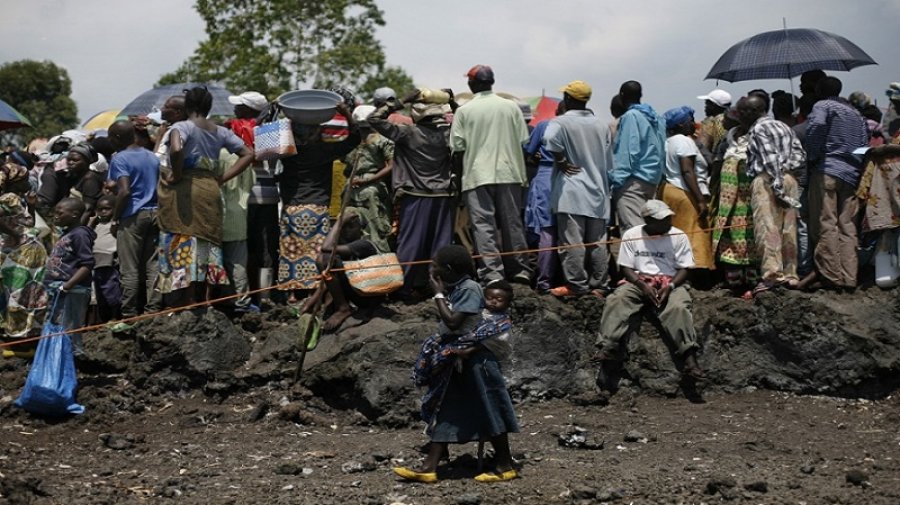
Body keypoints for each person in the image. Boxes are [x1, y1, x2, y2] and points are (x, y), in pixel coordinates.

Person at [393, 245, 519, 483]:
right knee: (446, 408)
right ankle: (429, 467)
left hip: (477, 362)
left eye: (436, 265)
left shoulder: (469, 288)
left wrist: (438, 294)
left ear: (448, 269)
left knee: (490, 407)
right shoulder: (458, 288)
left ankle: (505, 465)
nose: (432, 269)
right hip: (459, 359)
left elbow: (453, 322)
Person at [156, 87, 254, 306]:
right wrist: (222, 178)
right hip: (210, 189)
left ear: (187, 106)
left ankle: (186, 298)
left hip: (185, 190)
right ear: (209, 107)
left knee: (184, 237)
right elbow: (248, 154)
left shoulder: (182, 127)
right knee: (207, 241)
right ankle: (203, 299)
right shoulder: (220, 131)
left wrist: (177, 174)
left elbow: (177, 149)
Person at [594, 200, 704, 379]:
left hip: (671, 281)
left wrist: (670, 286)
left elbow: (686, 268)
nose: (667, 222)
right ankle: (608, 346)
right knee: (617, 299)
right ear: (648, 220)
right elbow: (626, 268)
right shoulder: (632, 234)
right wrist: (642, 285)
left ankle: (689, 357)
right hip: (639, 280)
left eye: (668, 218)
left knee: (678, 307)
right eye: (662, 220)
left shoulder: (678, 235)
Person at [450, 64, 532, 285]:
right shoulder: (511, 107)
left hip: (477, 175)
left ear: (472, 84)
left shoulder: (464, 111)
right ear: (492, 82)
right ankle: (520, 270)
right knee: (512, 223)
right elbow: (524, 139)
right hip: (510, 173)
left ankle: (493, 274)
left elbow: (457, 146)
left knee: (483, 226)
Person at [368, 94, 454, 301]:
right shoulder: (449, 133)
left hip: (416, 194)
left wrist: (402, 100)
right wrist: (451, 100)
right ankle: (438, 289)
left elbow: (374, 119)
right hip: (444, 194)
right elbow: (465, 118)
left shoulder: (407, 133)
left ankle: (402, 289)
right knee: (441, 245)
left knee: (410, 244)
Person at [276, 101, 361, 301]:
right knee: (316, 252)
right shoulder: (325, 150)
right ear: (316, 132)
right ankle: (315, 291)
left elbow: (263, 142)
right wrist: (346, 113)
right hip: (317, 208)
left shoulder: (287, 151)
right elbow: (355, 138)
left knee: (291, 250)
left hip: (292, 208)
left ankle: (293, 293)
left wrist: (274, 113)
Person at [543, 80, 613, 297]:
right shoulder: (601, 125)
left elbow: (548, 138)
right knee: (598, 242)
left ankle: (576, 285)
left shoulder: (561, 121)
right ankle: (600, 285)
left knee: (572, 242)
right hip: (598, 190)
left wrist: (561, 160)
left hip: (571, 189)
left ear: (568, 98)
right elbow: (609, 161)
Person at [801, 76, 869, 291]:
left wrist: (812, 154)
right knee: (847, 226)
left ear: (819, 90)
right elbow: (864, 144)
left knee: (825, 223)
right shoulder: (856, 113)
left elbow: (817, 126)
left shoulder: (822, 106)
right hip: (851, 174)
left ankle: (831, 276)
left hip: (827, 170)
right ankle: (849, 277)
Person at [738, 95, 805, 294]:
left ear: (754, 111)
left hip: (769, 181)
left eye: (743, 112)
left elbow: (770, 160)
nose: (740, 116)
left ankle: (772, 276)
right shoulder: (784, 126)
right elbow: (800, 155)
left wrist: (778, 189)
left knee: (768, 229)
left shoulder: (758, 129)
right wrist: (787, 172)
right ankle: (790, 275)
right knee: (788, 230)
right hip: (789, 179)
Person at [107, 120, 161, 318]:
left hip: (133, 215)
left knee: (129, 267)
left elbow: (125, 191)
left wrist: (115, 219)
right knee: (153, 265)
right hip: (155, 213)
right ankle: (153, 310)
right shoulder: (152, 156)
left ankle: (129, 313)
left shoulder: (120, 158)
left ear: (117, 138)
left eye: (111, 138)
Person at [222, 91, 269, 312]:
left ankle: (238, 297)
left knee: (240, 251)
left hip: (240, 197)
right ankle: (260, 298)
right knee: (261, 250)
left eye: (239, 105)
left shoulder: (233, 129)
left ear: (250, 109)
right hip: (267, 193)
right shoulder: (270, 129)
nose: (235, 109)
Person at [303, 207, 380, 332]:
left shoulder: (364, 244)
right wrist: (310, 302)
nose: (345, 231)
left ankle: (343, 308)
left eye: (350, 227)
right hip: (355, 290)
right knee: (329, 268)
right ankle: (335, 308)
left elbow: (326, 248)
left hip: (367, 296)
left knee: (324, 259)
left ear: (360, 227)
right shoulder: (345, 246)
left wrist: (340, 221)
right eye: (343, 228)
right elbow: (328, 279)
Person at [711, 101, 758, 292]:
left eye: (727, 120)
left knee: (750, 236)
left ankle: (751, 281)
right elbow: (717, 163)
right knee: (728, 232)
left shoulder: (756, 138)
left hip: (750, 198)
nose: (724, 123)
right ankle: (734, 281)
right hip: (728, 198)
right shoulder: (728, 139)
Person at [660, 106, 713, 271]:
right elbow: (687, 171)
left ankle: (678, 270)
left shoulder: (668, 142)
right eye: (690, 121)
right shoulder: (684, 141)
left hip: (669, 190)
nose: (694, 124)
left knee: (678, 234)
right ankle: (697, 272)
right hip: (685, 192)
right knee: (696, 233)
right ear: (681, 124)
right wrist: (700, 200)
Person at [610, 80, 667, 232]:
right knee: (645, 230)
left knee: (633, 231)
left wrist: (615, 180)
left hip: (632, 182)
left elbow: (629, 152)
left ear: (622, 95)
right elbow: (663, 149)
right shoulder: (656, 118)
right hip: (652, 180)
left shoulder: (631, 116)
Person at [43, 198, 95, 356]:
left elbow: (87, 264)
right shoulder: (67, 233)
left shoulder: (80, 234)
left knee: (69, 329)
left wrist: (68, 285)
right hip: (60, 290)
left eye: (60, 213)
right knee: (57, 327)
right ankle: (57, 361)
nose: (55, 216)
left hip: (72, 291)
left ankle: (70, 363)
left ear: (74, 214)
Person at [524, 101, 564, 293]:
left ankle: (544, 281)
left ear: (557, 111)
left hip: (546, 177)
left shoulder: (544, 125)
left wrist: (539, 155)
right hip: (571, 179)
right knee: (568, 231)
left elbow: (529, 151)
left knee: (546, 231)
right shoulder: (580, 128)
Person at [343, 104, 394, 253]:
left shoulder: (380, 141)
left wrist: (367, 180)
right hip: (357, 186)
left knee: (375, 224)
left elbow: (391, 166)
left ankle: (376, 252)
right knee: (353, 223)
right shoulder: (353, 141)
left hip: (369, 187)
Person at [37, 142, 104, 226]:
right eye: (69, 160)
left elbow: (88, 208)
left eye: (75, 160)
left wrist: (77, 229)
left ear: (87, 161)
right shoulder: (73, 176)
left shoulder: (90, 178)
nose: (71, 163)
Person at [88, 195, 122, 323]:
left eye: (107, 209)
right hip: (95, 262)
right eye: (100, 209)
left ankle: (114, 316)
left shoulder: (115, 224)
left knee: (111, 290)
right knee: (99, 292)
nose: (103, 212)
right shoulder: (95, 225)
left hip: (109, 261)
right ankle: (104, 318)